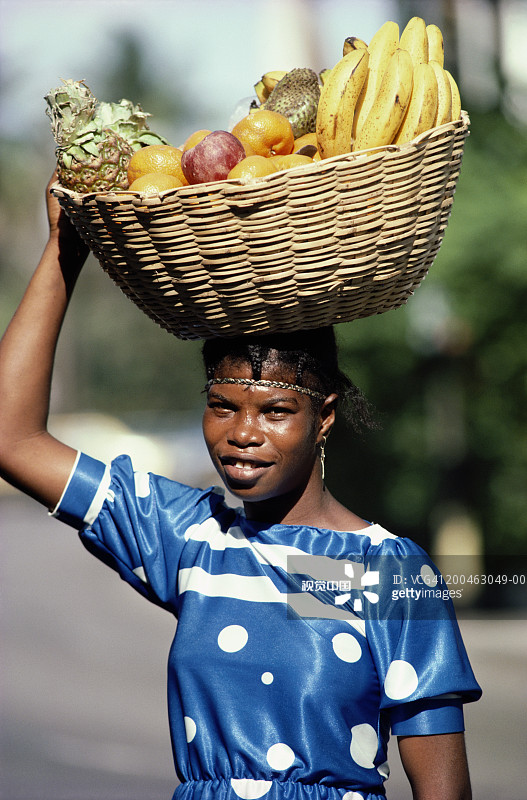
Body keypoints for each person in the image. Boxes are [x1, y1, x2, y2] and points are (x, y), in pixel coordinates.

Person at [0, 174, 481, 800]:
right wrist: (65, 249)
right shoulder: (193, 539)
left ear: (324, 418)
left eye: (276, 411)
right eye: (222, 406)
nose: (242, 434)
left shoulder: (384, 573)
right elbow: (12, 439)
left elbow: (444, 790)